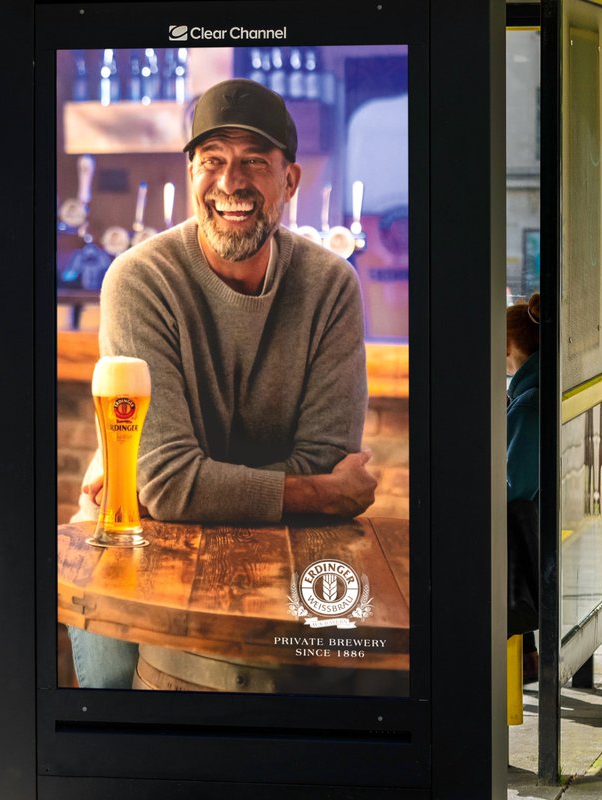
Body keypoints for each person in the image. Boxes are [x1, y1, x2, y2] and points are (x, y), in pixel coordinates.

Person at [69, 79, 378, 687]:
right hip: (137, 535)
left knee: (320, 685)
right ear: (191, 174)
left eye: (254, 163)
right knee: (110, 691)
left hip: (274, 553)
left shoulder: (329, 285)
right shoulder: (139, 280)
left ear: (289, 181)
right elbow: (166, 482)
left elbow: (325, 454)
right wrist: (315, 492)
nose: (231, 183)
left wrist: (203, 484)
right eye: (213, 161)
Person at [506, 293, 541, 682]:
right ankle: (527, 655)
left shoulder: (528, 403)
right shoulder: (529, 392)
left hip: (526, 533)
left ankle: (523, 657)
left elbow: (514, 487)